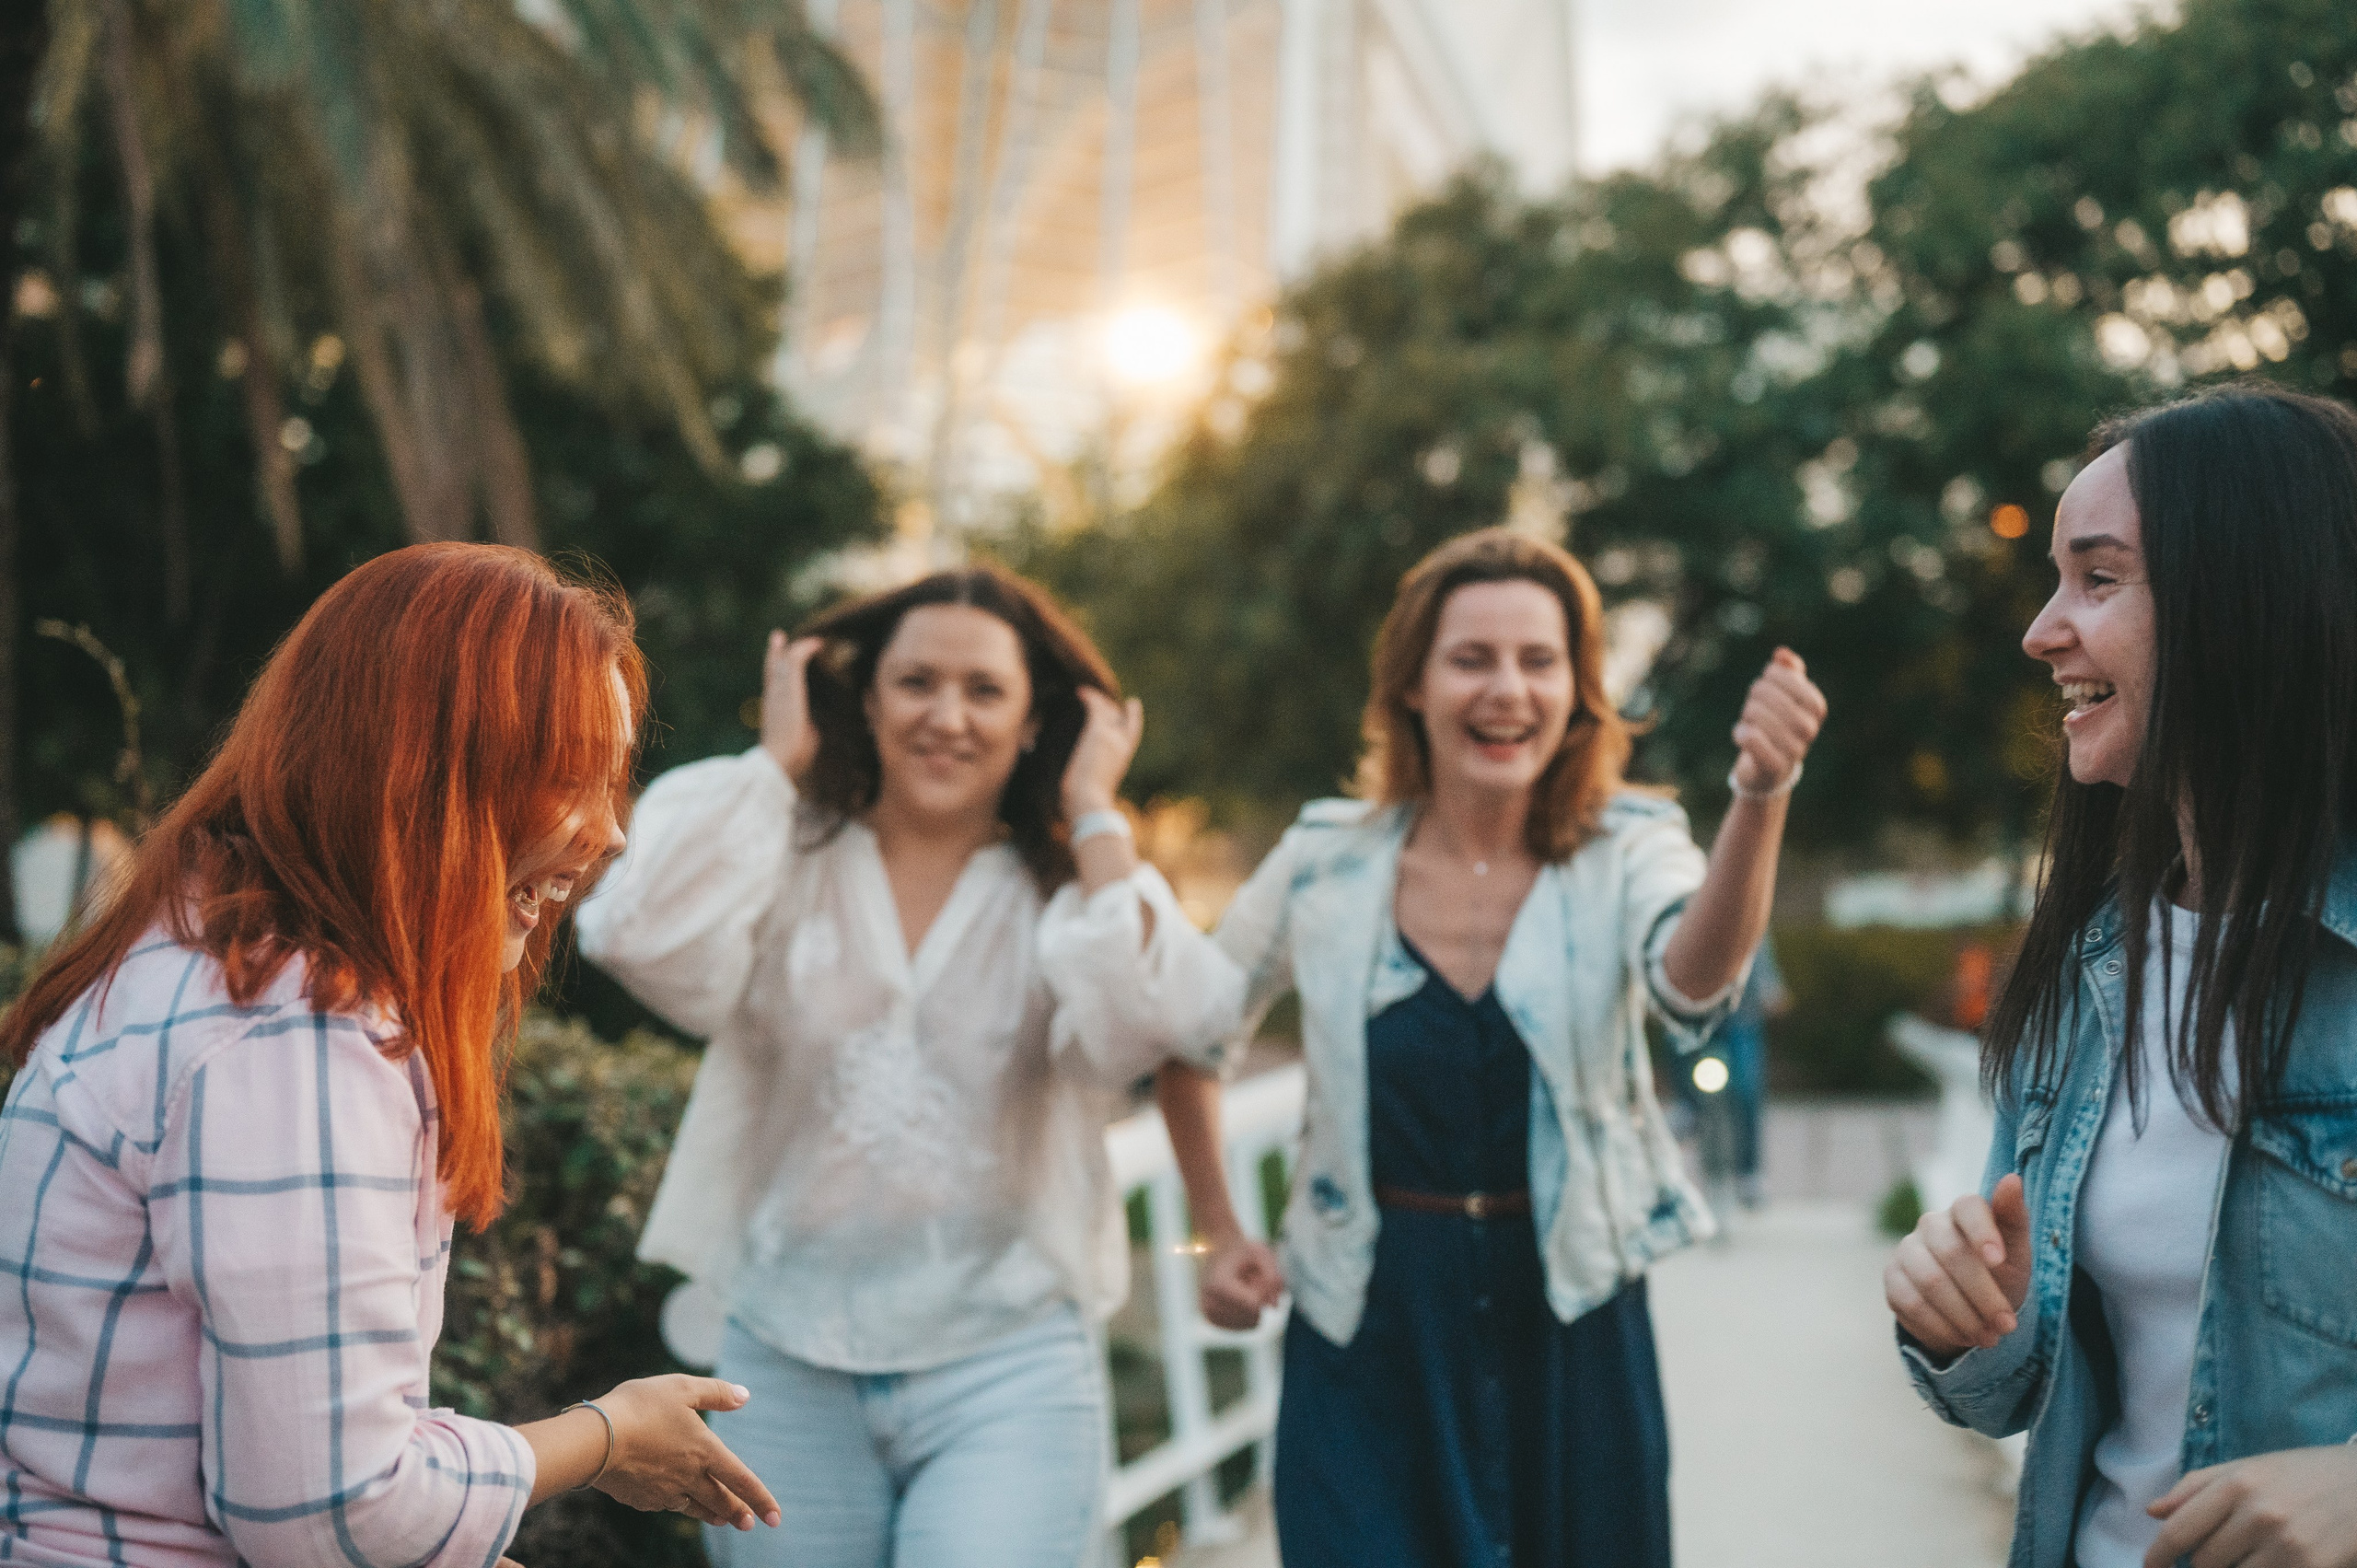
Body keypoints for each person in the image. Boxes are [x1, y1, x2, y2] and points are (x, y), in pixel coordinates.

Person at [0, 544, 780, 1567]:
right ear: (426, 773)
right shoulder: (296, 1038)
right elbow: (333, 1514)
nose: (610, 833)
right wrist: (604, 1437)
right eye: (571, 778)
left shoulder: (195, 956)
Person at [1155, 527, 1826, 1568]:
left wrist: (1759, 793)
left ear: (1577, 690)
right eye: (1471, 657)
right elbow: (1190, 1033)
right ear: (1411, 685)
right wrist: (1214, 1230)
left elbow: (1691, 983)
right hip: (1365, 1326)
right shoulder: (1322, 861)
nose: (1505, 687)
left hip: (1572, 1318)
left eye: (1537, 659)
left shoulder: (1629, 845)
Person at [574, 565, 1237, 1568]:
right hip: (782, 1360)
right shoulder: (782, 853)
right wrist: (774, 762)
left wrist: (1095, 808)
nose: (947, 715)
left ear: (1030, 722)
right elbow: (633, 933)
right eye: (918, 681)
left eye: (984, 690)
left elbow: (1165, 1021)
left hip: (1008, 1362)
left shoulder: (1058, 896)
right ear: (868, 696)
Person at [1885, 383, 2357, 1568]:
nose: (2043, 630)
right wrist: (1957, 1317)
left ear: (2244, 604)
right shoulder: (2081, 967)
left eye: (2097, 580)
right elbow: (2009, 1390)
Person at [1678, 935, 1790, 1211]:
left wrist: (1771, 989)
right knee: (1677, 1044)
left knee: (1747, 1089)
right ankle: (1687, 1105)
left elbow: (1759, 948)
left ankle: (1750, 1172)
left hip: (1741, 1013)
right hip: (1697, 1012)